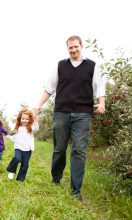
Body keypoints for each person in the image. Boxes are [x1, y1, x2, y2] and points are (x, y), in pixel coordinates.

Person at [36, 35, 106, 200]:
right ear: (67, 48)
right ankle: (56, 178)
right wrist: (39, 105)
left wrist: (101, 103)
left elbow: (99, 88)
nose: (73, 50)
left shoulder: (92, 66)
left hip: (83, 113)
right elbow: (49, 88)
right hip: (61, 112)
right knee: (59, 148)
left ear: (81, 46)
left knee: (79, 150)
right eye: (70, 48)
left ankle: (76, 190)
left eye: (76, 47)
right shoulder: (60, 66)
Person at [6, 108, 39, 181]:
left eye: (27, 119)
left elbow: (36, 128)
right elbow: (17, 136)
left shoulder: (30, 128)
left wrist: (35, 118)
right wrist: (10, 137)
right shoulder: (19, 128)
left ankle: (20, 179)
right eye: (23, 118)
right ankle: (11, 170)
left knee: (25, 164)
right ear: (20, 118)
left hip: (28, 149)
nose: (24, 120)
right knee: (17, 158)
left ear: (30, 120)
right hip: (18, 147)